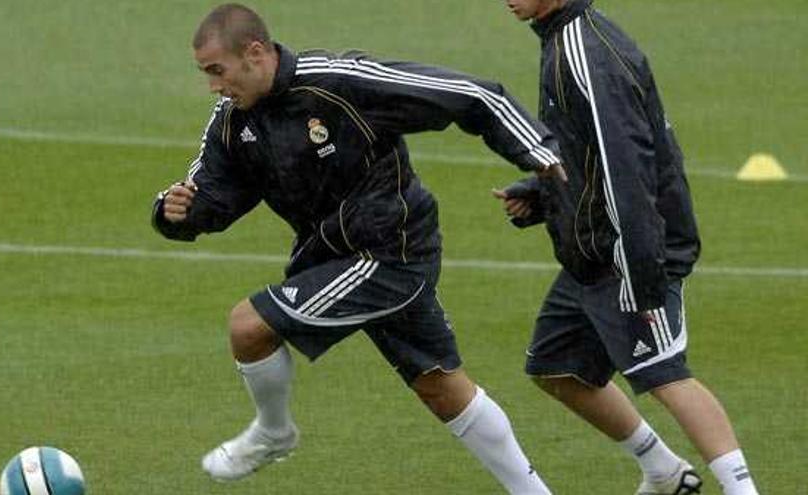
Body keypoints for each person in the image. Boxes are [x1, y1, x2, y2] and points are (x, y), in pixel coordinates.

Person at [152, 3, 565, 492]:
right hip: (334, 255)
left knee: (249, 326)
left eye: (218, 71)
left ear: (256, 53)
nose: (214, 86)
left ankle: (274, 432)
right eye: (206, 74)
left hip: (390, 252)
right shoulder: (232, 121)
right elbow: (209, 196)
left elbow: (470, 94)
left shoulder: (339, 83)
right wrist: (175, 213)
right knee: (441, 384)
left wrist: (537, 151)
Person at [494, 1, 760, 494]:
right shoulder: (561, 39)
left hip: (626, 251)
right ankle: (663, 470)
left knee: (664, 373)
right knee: (556, 368)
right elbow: (585, 151)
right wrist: (545, 195)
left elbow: (627, 166)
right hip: (593, 250)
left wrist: (640, 271)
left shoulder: (584, 53)